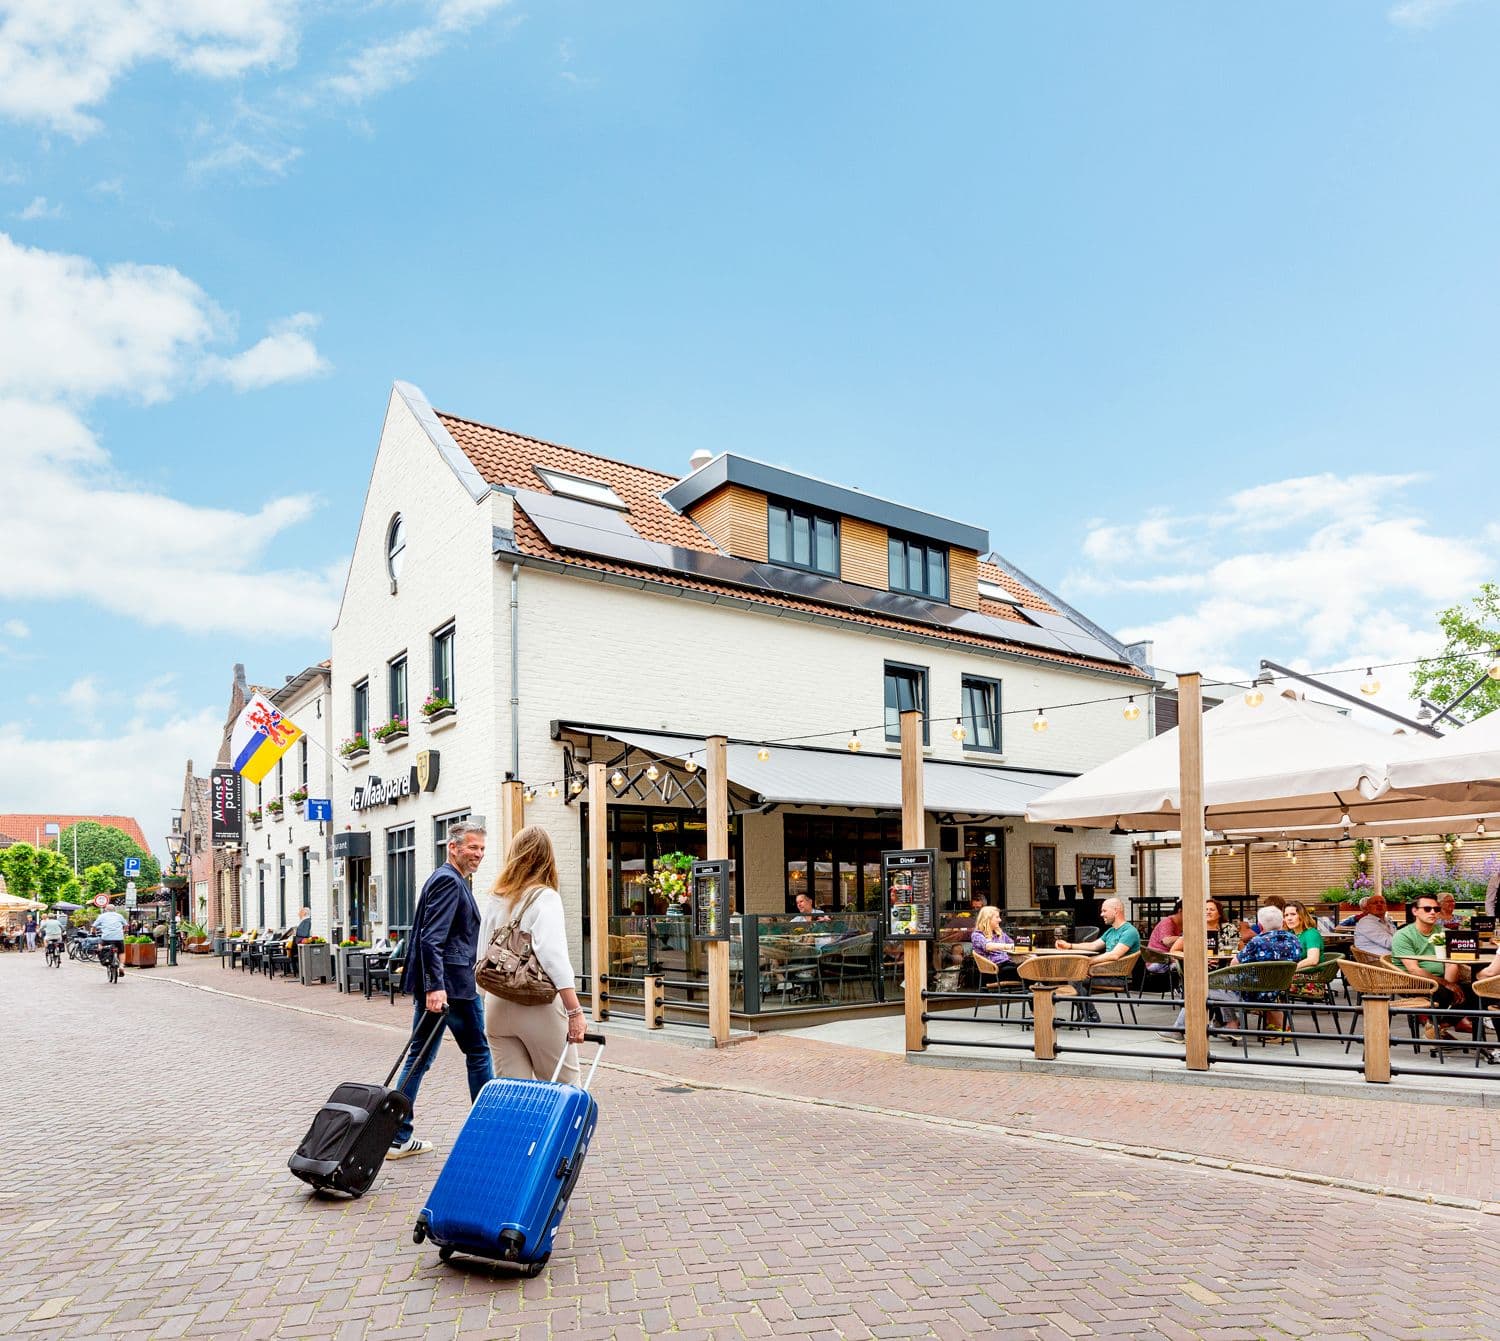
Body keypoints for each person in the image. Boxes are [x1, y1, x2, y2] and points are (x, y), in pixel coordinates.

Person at [387, 819, 495, 1160]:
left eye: (481, 847)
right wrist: (436, 988)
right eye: (472, 847)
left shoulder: (448, 879)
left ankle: (396, 1135)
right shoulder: (449, 881)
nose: (479, 853)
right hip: (453, 989)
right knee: (478, 1053)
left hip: (444, 987)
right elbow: (432, 939)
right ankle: (486, 1130)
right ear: (454, 847)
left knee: (419, 1059)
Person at [479, 826, 586, 1085]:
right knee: (565, 1090)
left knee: (513, 1097)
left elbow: (482, 953)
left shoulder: (496, 897)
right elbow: (553, 957)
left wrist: (487, 998)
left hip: (496, 1004)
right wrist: (574, 1011)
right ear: (546, 857)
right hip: (536, 1005)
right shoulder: (545, 897)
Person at [1392, 896, 1476, 1038]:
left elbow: (1451, 962)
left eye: (1436, 909)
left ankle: (1438, 1027)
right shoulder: (1403, 935)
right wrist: (1446, 984)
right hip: (1413, 981)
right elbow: (1413, 969)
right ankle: (1435, 1027)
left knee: (1477, 991)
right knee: (1446, 992)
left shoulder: (1442, 932)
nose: (1432, 912)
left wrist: (1451, 982)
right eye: (1427, 909)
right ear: (1415, 911)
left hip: (1441, 981)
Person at [1056, 897, 1140, 1024]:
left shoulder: (1129, 931)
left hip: (1115, 976)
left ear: (1116, 911)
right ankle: (1089, 1014)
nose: (1101, 915)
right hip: (1103, 971)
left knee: (1075, 978)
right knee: (1074, 975)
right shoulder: (1111, 931)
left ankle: (1091, 1015)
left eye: (1104, 911)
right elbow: (1093, 945)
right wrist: (1069, 946)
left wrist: (1088, 963)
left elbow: (1114, 955)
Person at [969, 906, 1018, 982]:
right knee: (1029, 972)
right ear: (987, 919)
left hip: (1007, 965)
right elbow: (987, 946)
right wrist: (1007, 946)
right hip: (994, 970)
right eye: (997, 917)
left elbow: (1014, 945)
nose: (1000, 920)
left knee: (1033, 968)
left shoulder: (999, 933)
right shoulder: (977, 935)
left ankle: (1036, 991)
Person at [93, 905, 128, 978]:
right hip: (118, 937)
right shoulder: (119, 916)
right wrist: (124, 931)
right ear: (115, 910)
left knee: (100, 944)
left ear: (106, 910)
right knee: (122, 952)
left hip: (106, 938)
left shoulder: (102, 916)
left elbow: (94, 926)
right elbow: (126, 925)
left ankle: (102, 955)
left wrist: (93, 932)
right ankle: (121, 966)